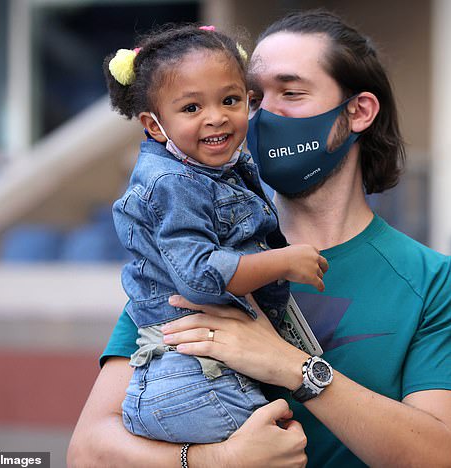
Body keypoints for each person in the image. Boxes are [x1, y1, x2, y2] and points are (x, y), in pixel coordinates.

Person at [69, 9, 451, 467]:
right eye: (252, 96)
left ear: (359, 111)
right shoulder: (183, 255)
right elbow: (89, 452)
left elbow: (442, 458)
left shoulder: (434, 282)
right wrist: (216, 460)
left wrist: (290, 366)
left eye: (290, 92)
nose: (262, 113)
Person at [103, 24, 328, 444]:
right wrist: (285, 260)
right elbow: (200, 277)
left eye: (230, 100)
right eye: (191, 108)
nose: (216, 116)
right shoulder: (172, 182)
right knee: (282, 447)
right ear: (154, 125)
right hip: (196, 378)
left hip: (203, 371)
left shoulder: (215, 170)